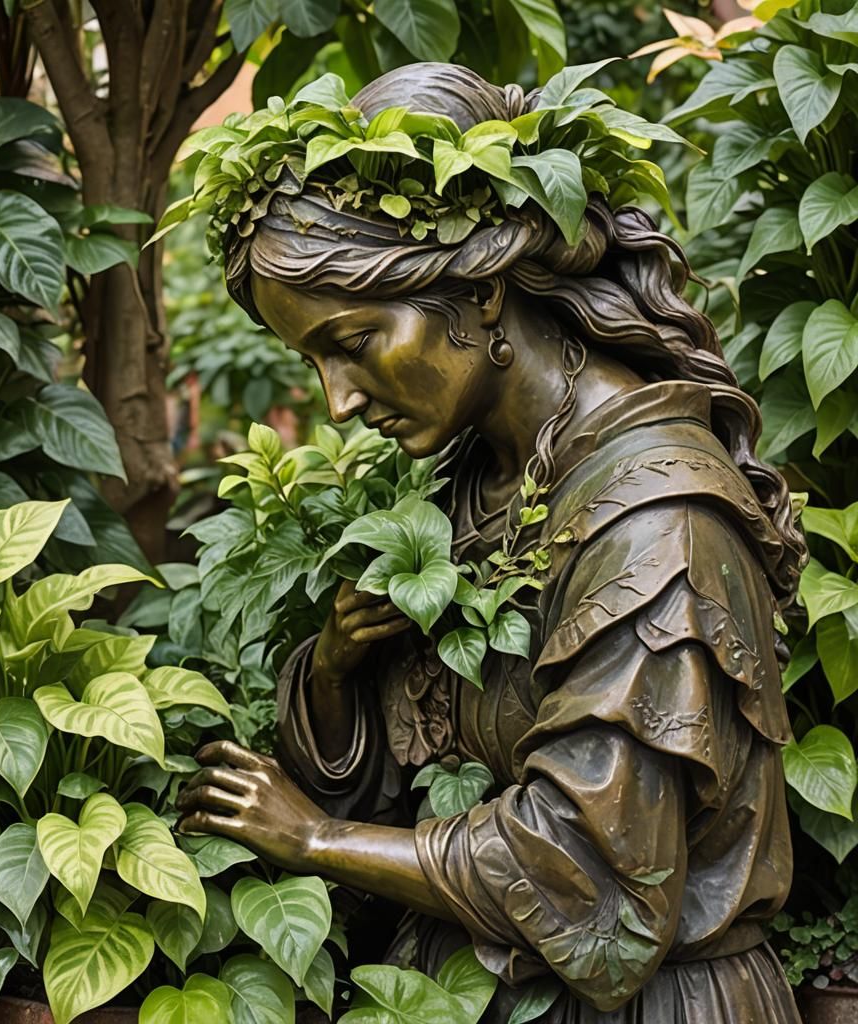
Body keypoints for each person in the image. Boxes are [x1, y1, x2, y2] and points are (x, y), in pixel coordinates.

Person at [177, 63, 806, 1022]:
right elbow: (419, 779)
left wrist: (311, 844)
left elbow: (600, 884)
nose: (337, 403)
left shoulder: (658, 520)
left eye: (353, 341)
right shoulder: (477, 479)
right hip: (463, 988)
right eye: (311, 360)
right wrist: (342, 667)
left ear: (480, 291)